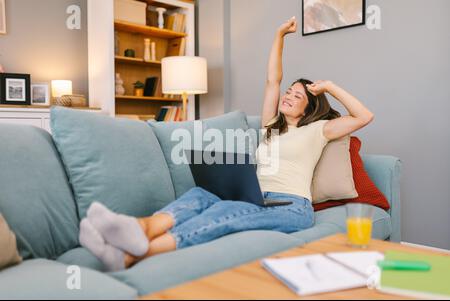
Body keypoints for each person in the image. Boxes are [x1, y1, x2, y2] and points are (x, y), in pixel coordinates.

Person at [79, 16, 374, 271]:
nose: (287, 96)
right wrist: (278, 35)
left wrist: (328, 87)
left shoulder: (319, 130)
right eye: (289, 92)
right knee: (199, 195)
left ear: (309, 109)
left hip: (292, 206)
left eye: (297, 96)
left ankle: (130, 255)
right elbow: (273, 80)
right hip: (255, 196)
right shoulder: (271, 125)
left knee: (221, 215)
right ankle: (138, 228)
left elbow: (364, 116)